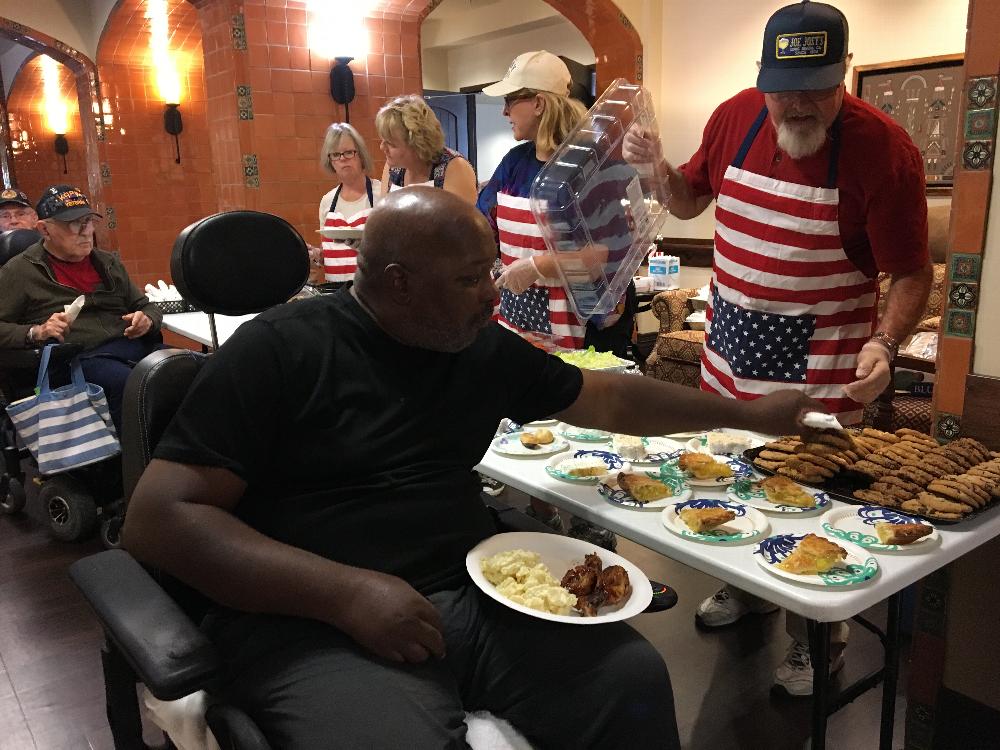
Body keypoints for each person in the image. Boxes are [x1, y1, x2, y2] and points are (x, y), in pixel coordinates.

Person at [122, 187, 821, 749]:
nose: (494, 295)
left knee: (630, 678)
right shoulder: (278, 351)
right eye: (468, 280)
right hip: (307, 620)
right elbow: (159, 521)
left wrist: (753, 414)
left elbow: (606, 395)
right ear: (397, 283)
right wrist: (346, 595)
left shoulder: (472, 345)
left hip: (466, 597)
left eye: (490, 272)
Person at [623, 1, 933, 697]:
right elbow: (686, 202)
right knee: (730, 481)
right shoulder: (735, 116)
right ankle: (748, 588)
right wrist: (655, 169)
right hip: (731, 351)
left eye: (816, 87)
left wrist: (885, 342)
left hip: (821, 371)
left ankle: (816, 641)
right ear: (761, 77)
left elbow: (911, 271)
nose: (796, 104)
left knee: (808, 501)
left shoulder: (884, 150)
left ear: (844, 76)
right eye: (783, 86)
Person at [477, 50, 637, 546]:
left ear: (540, 103)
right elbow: (485, 224)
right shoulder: (514, 162)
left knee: (582, 419)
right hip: (520, 312)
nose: (505, 113)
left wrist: (537, 266)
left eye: (511, 102)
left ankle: (594, 522)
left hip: (583, 319)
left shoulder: (597, 166)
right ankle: (543, 511)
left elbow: (604, 254)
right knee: (532, 411)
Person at [0, 185, 163, 432]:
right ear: (44, 229)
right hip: (74, 359)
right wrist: (36, 331)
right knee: (132, 384)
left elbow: (145, 305)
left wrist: (147, 320)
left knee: (187, 367)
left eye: (88, 222)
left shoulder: (107, 263)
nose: (85, 232)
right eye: (73, 224)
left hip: (128, 348)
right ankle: (134, 464)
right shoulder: (19, 271)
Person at [376, 94, 479, 204]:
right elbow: (383, 214)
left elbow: (464, 220)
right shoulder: (393, 167)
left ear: (417, 144)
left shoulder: (455, 168)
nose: (382, 147)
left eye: (391, 144)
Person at [315, 122, 381, 287]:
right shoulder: (327, 201)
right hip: (335, 292)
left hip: (372, 290)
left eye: (348, 152)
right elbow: (331, 254)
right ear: (330, 161)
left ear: (361, 155)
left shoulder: (382, 194)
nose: (342, 159)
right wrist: (316, 256)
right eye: (336, 154)